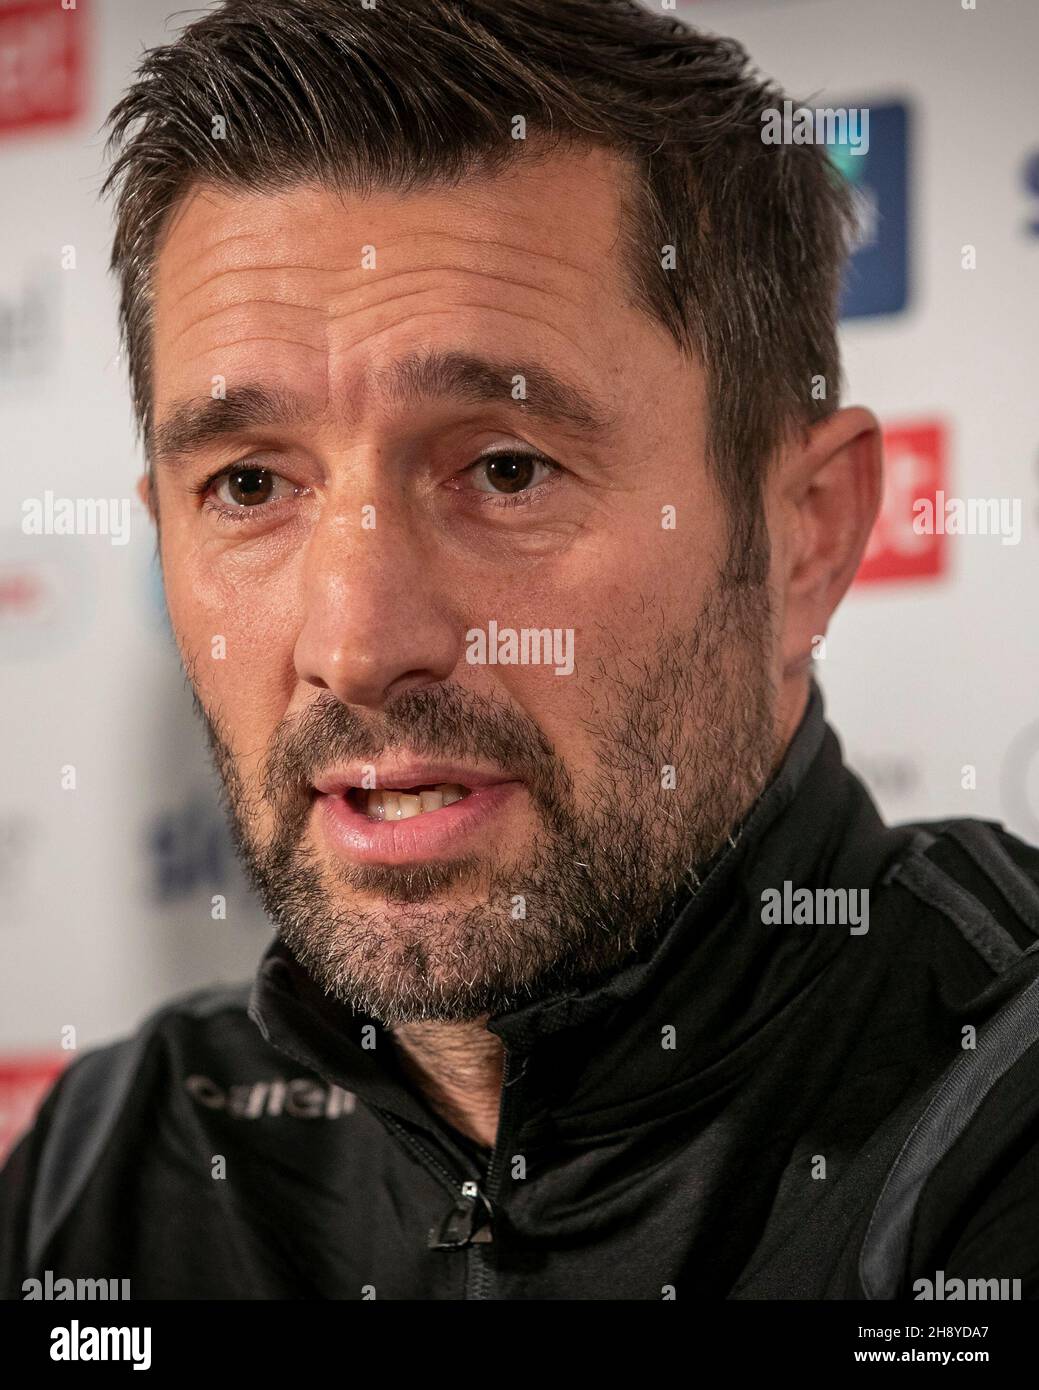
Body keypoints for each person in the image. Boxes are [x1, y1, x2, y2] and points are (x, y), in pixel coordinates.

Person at [3, 0, 1038, 1301]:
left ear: (805, 536)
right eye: (254, 486)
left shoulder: (1008, 1108)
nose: (358, 640)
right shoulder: (104, 1166)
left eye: (505, 467)